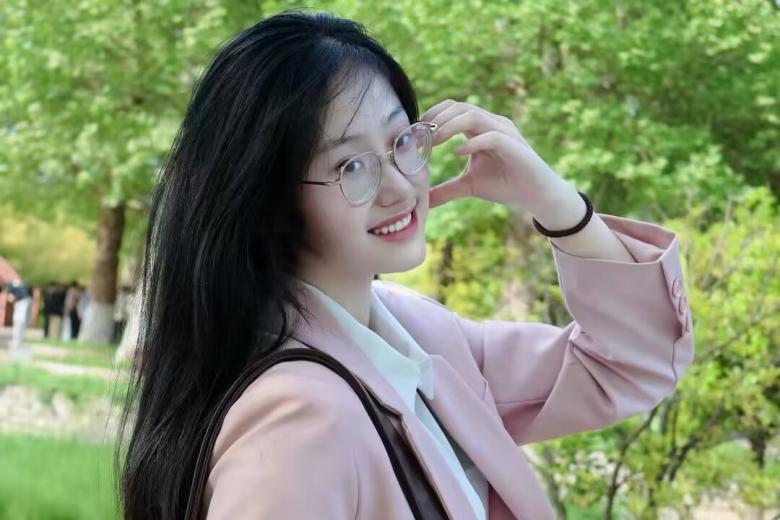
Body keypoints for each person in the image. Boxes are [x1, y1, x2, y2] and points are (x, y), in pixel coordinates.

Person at [119, 11, 695, 520]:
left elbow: (635, 360)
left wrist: (557, 206)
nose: (399, 185)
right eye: (350, 167)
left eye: (401, 142)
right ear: (268, 203)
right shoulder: (301, 419)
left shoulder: (417, 336)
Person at [3, 278, 33, 363]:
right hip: (28, 300)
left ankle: (16, 339)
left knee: (18, 320)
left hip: (21, 302)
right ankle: (18, 339)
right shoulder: (19, 283)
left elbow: (10, 298)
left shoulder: (9, 286)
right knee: (22, 321)